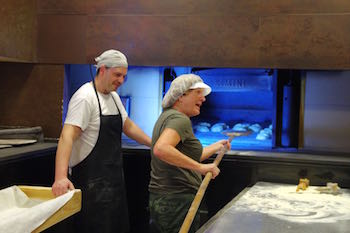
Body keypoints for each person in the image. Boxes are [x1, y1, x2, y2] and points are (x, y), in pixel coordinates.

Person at [52, 49, 151, 233]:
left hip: (114, 184)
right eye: (117, 75)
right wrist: (60, 177)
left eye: (124, 76)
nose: (121, 80)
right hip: (90, 186)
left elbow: (127, 125)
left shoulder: (113, 97)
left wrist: (153, 144)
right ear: (103, 69)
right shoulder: (85, 97)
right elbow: (67, 136)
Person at [148, 74, 231, 233]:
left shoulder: (167, 116)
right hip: (176, 201)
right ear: (181, 96)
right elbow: (162, 149)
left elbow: (185, 157)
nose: (203, 99)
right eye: (198, 93)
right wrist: (200, 168)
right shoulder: (180, 119)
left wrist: (216, 147)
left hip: (164, 198)